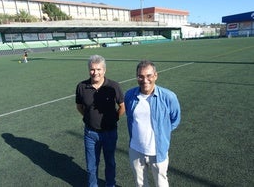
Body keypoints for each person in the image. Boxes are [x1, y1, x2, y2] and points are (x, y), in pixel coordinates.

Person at [124, 60, 181, 187]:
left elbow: (175, 119)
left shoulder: (168, 96)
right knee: (140, 183)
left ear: (155, 75)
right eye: (141, 76)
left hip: (158, 151)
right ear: (137, 77)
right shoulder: (129, 95)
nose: (145, 80)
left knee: (161, 183)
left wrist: (162, 132)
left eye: (149, 75)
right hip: (136, 150)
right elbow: (129, 116)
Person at [75, 55, 125, 187]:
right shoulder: (81, 86)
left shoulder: (114, 86)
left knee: (110, 162)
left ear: (104, 70)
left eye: (98, 69)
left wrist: (114, 118)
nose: (95, 72)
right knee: (91, 165)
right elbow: (79, 107)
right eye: (92, 69)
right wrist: (89, 118)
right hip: (90, 134)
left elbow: (122, 106)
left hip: (110, 133)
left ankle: (110, 184)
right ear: (88, 70)